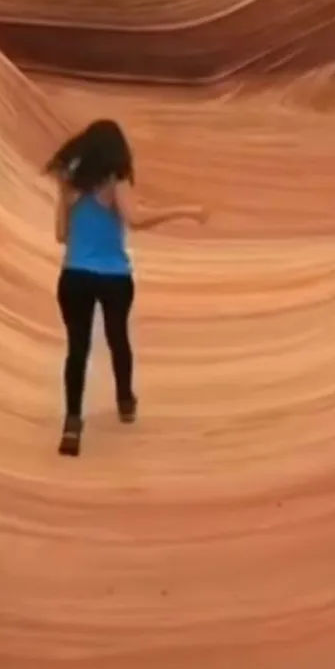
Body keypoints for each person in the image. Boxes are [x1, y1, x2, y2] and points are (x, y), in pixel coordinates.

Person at [46, 119, 207, 456]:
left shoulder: (72, 185)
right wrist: (185, 210)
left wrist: (64, 196)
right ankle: (124, 401)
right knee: (118, 337)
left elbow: (61, 235)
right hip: (113, 276)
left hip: (75, 275)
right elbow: (135, 219)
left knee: (77, 348)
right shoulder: (114, 181)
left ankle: (72, 424)